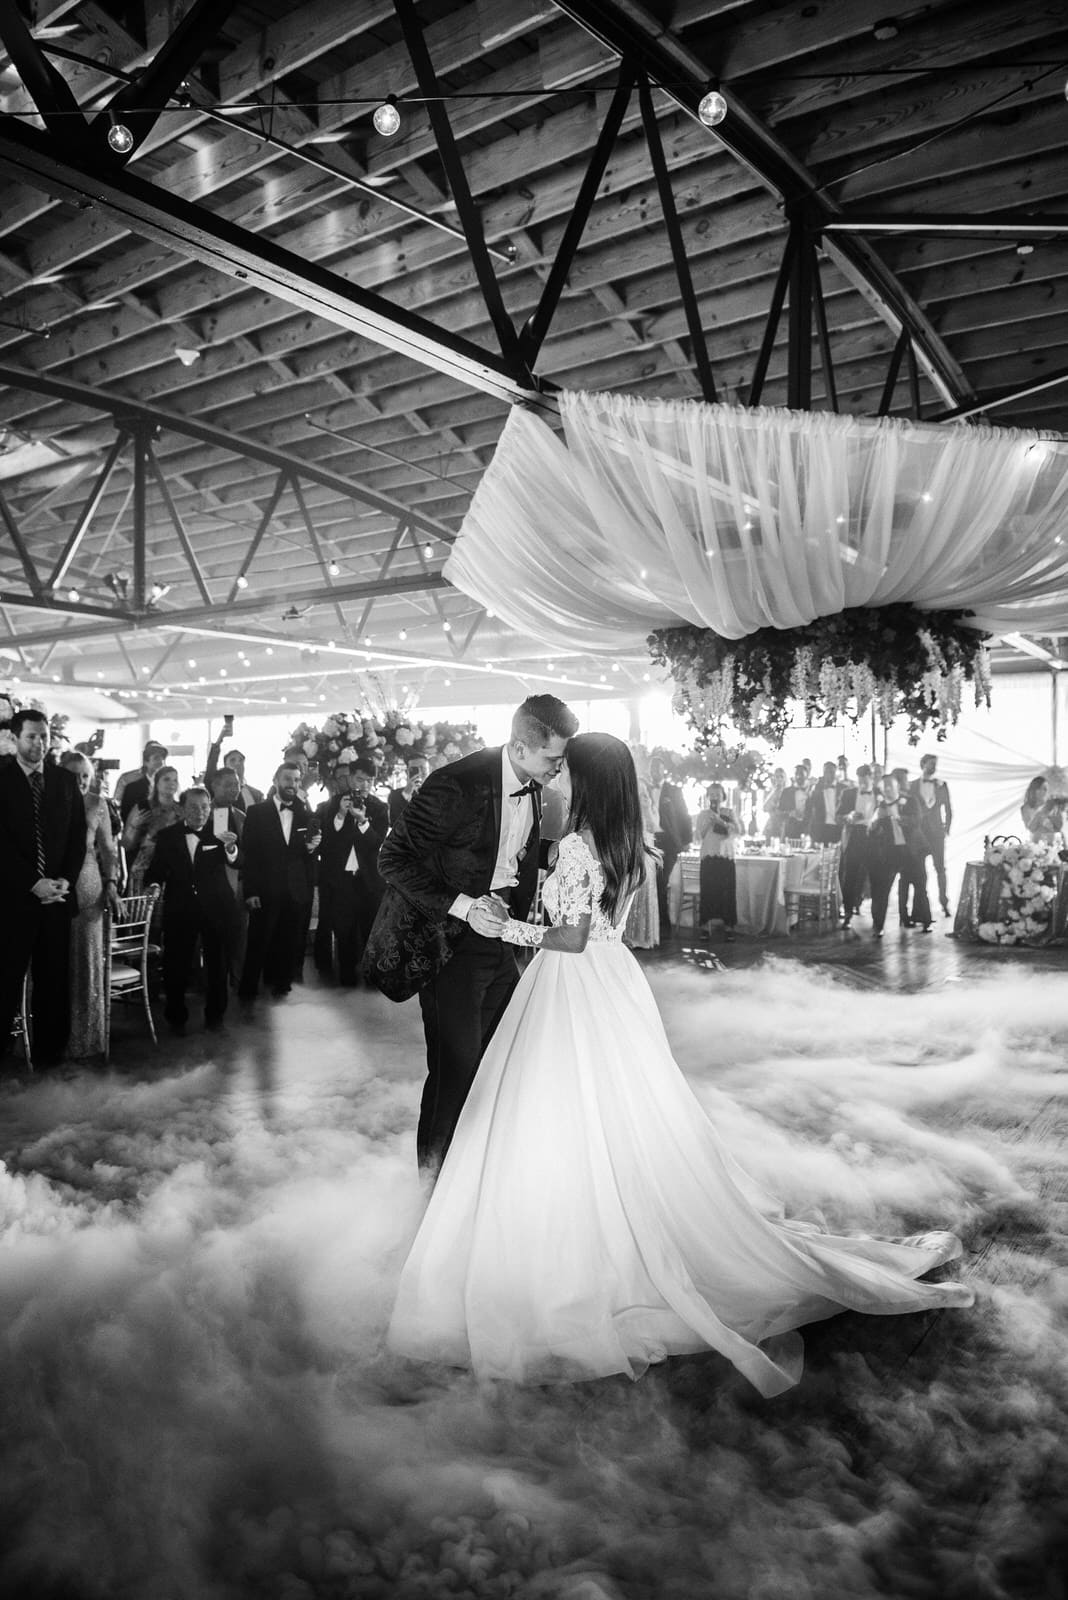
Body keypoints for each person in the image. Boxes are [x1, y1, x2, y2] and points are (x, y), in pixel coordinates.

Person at [387, 733, 973, 1393]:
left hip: (573, 978)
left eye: (564, 771)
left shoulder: (579, 846)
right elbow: (599, 924)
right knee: (613, 1110)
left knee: (562, 1109)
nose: (553, 779)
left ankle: (579, 1247)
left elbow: (572, 936)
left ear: (584, 782)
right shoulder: (634, 846)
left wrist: (504, 928)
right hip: (613, 979)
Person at [363, 694, 578, 1175]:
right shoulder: (454, 785)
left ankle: (475, 1175)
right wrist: (464, 907)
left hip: (502, 942)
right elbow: (392, 859)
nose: (558, 770)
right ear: (520, 747)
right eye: (552, 759)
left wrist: (558, 860)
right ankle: (432, 1185)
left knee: (498, 1059)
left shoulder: (537, 784)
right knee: (454, 1070)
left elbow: (507, 856)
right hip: (447, 944)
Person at [0, 710, 86, 1066]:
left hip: (57, 898)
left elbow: (77, 835)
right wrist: (32, 882)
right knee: (5, 979)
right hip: (13, 899)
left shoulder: (65, 781)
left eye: (44, 736)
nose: (39, 743)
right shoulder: (1, 778)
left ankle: (53, 1053)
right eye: (32, 736)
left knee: (54, 981)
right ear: (15, 738)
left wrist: (66, 878)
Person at [147, 786, 241, 1033]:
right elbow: (156, 870)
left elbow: (240, 861)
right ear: (181, 809)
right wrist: (155, 885)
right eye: (192, 807)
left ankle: (216, 1016)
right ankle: (176, 1017)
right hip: (181, 907)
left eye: (204, 807)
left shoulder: (221, 833)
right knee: (176, 964)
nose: (199, 812)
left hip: (216, 907)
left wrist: (231, 848)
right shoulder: (168, 836)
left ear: (210, 808)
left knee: (217, 964)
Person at [238, 763, 320, 1002]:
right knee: (258, 940)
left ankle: (282, 986)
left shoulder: (306, 814)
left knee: (290, 941)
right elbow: (250, 855)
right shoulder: (256, 812)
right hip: (264, 888)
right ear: (276, 780)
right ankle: (248, 989)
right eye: (287, 779)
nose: (292, 785)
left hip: (295, 890)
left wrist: (312, 850)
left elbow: (306, 855)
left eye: (296, 780)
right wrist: (250, 891)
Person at [60, 751, 121, 1060]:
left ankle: (85, 1037)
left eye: (85, 775)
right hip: (55, 888)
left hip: (88, 888)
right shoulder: (48, 800)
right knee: (55, 961)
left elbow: (109, 851)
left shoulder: (98, 804)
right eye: (74, 775)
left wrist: (111, 884)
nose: (81, 781)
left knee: (85, 960)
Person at [317, 763, 389, 985]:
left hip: (369, 881)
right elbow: (326, 844)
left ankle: (372, 979)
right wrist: (340, 814)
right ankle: (346, 977)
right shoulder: (332, 805)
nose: (365, 785)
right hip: (340, 881)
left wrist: (362, 820)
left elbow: (377, 843)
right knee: (343, 931)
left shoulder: (379, 807)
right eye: (360, 779)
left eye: (369, 780)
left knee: (371, 931)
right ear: (350, 779)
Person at [868, 774, 932, 937]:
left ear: (897, 786)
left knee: (920, 886)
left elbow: (916, 821)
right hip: (891, 852)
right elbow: (872, 833)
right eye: (885, 786)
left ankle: (925, 921)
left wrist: (897, 817)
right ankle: (878, 926)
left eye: (891, 785)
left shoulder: (911, 801)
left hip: (913, 851)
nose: (888, 789)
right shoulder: (880, 807)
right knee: (882, 890)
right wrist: (875, 824)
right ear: (881, 790)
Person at [649, 753, 692, 932]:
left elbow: (684, 815)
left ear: (663, 771)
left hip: (668, 842)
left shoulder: (673, 791)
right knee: (651, 882)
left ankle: (663, 924)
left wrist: (686, 840)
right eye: (652, 768)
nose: (655, 772)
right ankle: (654, 924)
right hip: (649, 840)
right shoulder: (645, 789)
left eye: (658, 769)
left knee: (661, 880)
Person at [123, 764, 182, 894]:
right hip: (144, 867)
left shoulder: (181, 809)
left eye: (175, 780)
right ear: (156, 783)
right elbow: (126, 845)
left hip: (173, 868)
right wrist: (135, 826)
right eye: (166, 779)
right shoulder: (142, 807)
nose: (171, 783)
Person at [695, 782, 742, 939]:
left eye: (718, 793)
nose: (715, 796)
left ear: (723, 796)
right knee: (708, 891)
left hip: (726, 855)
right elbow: (699, 835)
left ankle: (729, 928)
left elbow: (738, 831)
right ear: (708, 796)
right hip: (709, 855)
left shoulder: (730, 812)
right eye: (712, 794)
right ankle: (705, 928)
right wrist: (710, 821)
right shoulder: (702, 814)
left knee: (727, 892)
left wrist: (721, 821)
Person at [835, 763, 878, 928]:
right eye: (860, 780)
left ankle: (877, 920)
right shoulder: (848, 794)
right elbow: (838, 817)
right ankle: (847, 914)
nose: (863, 784)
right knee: (849, 877)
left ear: (872, 778)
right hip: (854, 837)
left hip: (874, 839)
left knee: (875, 878)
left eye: (866, 780)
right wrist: (849, 817)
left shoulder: (880, 794)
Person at [911, 754, 953, 916]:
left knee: (940, 869)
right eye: (931, 764)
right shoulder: (912, 785)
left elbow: (948, 808)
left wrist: (946, 828)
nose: (934, 767)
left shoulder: (942, 785)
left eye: (935, 764)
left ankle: (944, 903)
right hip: (919, 833)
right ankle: (920, 907)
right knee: (918, 871)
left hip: (937, 833)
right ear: (923, 765)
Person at [205, 732, 264, 811]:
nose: (237, 763)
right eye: (232, 760)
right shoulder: (218, 789)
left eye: (241, 760)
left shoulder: (256, 794)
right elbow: (210, 772)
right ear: (225, 765)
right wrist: (218, 743)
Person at [114, 740, 168, 824]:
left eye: (162, 759)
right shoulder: (129, 782)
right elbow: (119, 805)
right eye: (156, 758)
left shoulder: (168, 783)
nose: (161, 762)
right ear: (145, 761)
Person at [804, 761, 843, 846]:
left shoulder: (843, 788)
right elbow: (808, 808)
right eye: (826, 772)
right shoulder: (816, 788)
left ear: (835, 773)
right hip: (820, 829)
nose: (828, 774)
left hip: (838, 828)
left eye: (831, 772)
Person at [388, 755, 431, 827]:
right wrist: (406, 794)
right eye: (414, 770)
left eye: (423, 768)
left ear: (429, 770)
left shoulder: (440, 793)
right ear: (407, 772)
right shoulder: (395, 795)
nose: (419, 773)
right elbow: (394, 824)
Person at [1021, 775, 1064, 846]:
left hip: (1054, 844)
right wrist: (1040, 814)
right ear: (1033, 789)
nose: (1042, 791)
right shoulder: (1026, 808)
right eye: (1039, 788)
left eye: (1045, 789)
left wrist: (1051, 814)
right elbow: (1031, 828)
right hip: (1035, 845)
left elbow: (1059, 827)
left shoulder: (1053, 806)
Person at [779, 763, 810, 843]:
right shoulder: (786, 792)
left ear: (806, 775)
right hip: (790, 829)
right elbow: (779, 812)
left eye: (801, 774)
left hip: (808, 830)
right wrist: (790, 813)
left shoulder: (812, 791)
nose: (798, 776)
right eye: (796, 774)